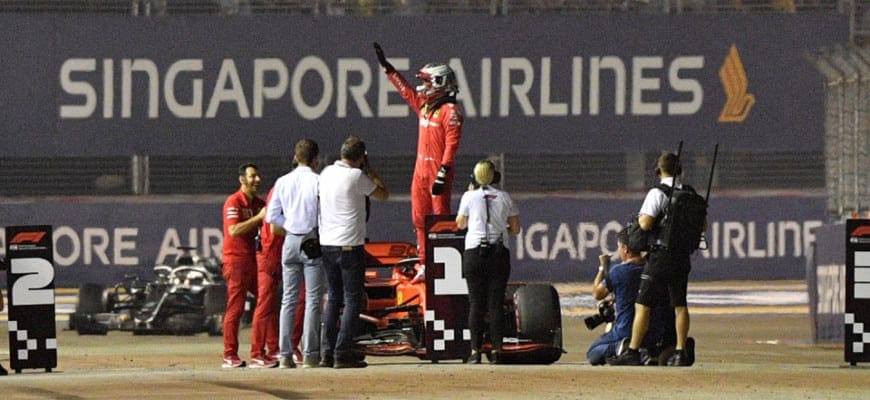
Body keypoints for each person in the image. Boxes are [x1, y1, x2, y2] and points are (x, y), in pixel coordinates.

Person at [373, 42, 463, 268]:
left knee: (440, 219)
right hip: (420, 171)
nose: (422, 86)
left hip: (437, 172)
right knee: (419, 219)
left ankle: (443, 265)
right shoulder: (424, 106)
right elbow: (406, 93)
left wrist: (444, 170)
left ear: (439, 83)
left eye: (426, 81)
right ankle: (425, 264)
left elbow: (452, 144)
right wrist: (389, 69)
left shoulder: (450, 111)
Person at [609, 152, 697, 366]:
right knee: (679, 305)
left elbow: (646, 224)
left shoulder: (657, 193)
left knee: (643, 304)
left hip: (660, 256)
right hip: (682, 256)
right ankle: (680, 351)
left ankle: (632, 351)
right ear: (681, 170)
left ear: (659, 171)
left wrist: (643, 220)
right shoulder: (690, 194)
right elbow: (702, 226)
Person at [317, 136, 389, 369]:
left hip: (327, 244)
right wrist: (370, 169)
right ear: (361, 157)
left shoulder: (326, 173)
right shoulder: (357, 176)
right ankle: (343, 351)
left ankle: (326, 352)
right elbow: (382, 194)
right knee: (352, 299)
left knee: (333, 297)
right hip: (350, 245)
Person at [265, 138, 325, 369]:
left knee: (288, 300)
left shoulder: (282, 181)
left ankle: (285, 355)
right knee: (312, 300)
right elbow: (324, 213)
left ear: (295, 157)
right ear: (316, 160)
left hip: (289, 241)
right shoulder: (318, 181)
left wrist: (291, 225)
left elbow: (272, 217)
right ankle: (310, 354)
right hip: (311, 239)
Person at [455, 160, 519, 364]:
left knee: (476, 303)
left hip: (474, 253)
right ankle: (497, 351)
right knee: (495, 304)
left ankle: (475, 351)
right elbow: (515, 228)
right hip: (499, 253)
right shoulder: (504, 197)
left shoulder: (469, 196)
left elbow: (460, 223)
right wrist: (501, 231)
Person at [587, 227, 676, 366]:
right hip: (655, 330)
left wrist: (603, 269)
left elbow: (597, 294)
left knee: (593, 352)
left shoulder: (618, 272)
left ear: (625, 249)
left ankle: (619, 348)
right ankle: (649, 352)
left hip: (626, 329)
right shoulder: (653, 269)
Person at [221, 163, 266, 368]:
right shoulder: (234, 202)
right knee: (236, 308)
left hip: (255, 261)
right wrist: (258, 218)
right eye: (252, 176)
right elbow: (234, 231)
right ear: (242, 179)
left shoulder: (259, 203)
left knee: (267, 304)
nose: (257, 180)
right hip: (236, 261)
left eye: (258, 176)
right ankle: (229, 355)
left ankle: (260, 354)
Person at [249, 186, 282, 368]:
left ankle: (275, 349)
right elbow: (276, 228)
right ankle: (256, 354)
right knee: (264, 305)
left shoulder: (276, 193)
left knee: (269, 305)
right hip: (269, 255)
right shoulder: (281, 192)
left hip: (275, 254)